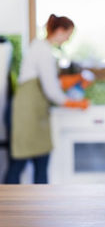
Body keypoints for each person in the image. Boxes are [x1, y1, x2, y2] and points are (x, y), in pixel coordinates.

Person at [4, 14, 89, 184]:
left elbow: (49, 82)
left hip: (30, 115)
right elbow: (52, 91)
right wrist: (76, 103)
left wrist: (72, 82)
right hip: (26, 117)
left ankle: (33, 205)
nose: (67, 39)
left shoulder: (40, 47)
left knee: (34, 162)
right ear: (59, 30)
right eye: (68, 35)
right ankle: (8, 206)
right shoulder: (43, 50)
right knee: (22, 164)